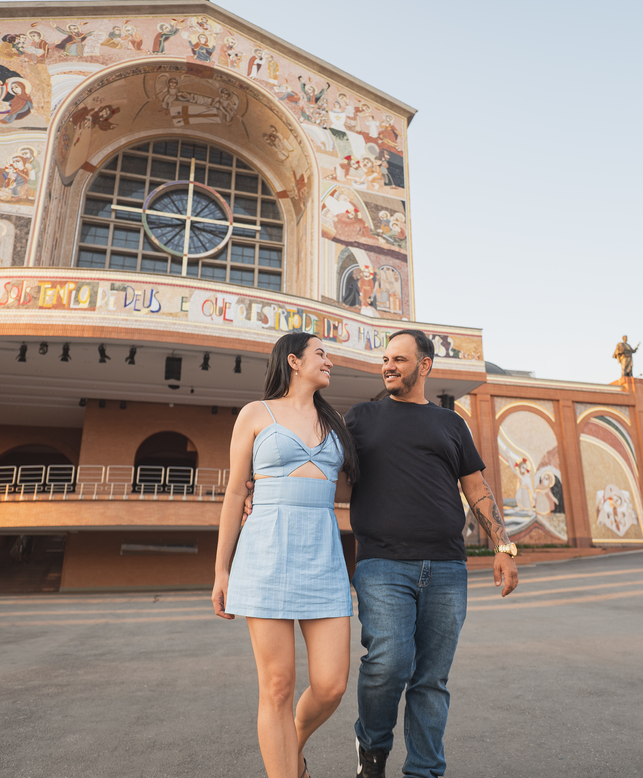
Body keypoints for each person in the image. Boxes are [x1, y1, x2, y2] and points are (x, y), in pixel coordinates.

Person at [345, 329, 519, 778]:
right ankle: (373, 749)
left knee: (431, 678)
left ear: (425, 366)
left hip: (446, 566)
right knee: (389, 662)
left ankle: (424, 770)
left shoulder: (451, 423)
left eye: (399, 359)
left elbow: (476, 488)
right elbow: (318, 462)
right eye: (385, 359)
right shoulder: (361, 418)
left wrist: (503, 545)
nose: (388, 366)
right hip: (382, 563)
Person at [212, 332, 359, 778]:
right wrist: (221, 569)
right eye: (321, 354)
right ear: (293, 361)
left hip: (324, 554)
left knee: (331, 685)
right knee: (277, 686)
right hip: (265, 553)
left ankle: (292, 736)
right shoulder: (256, 414)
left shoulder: (335, 424)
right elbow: (237, 491)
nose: (329, 360)